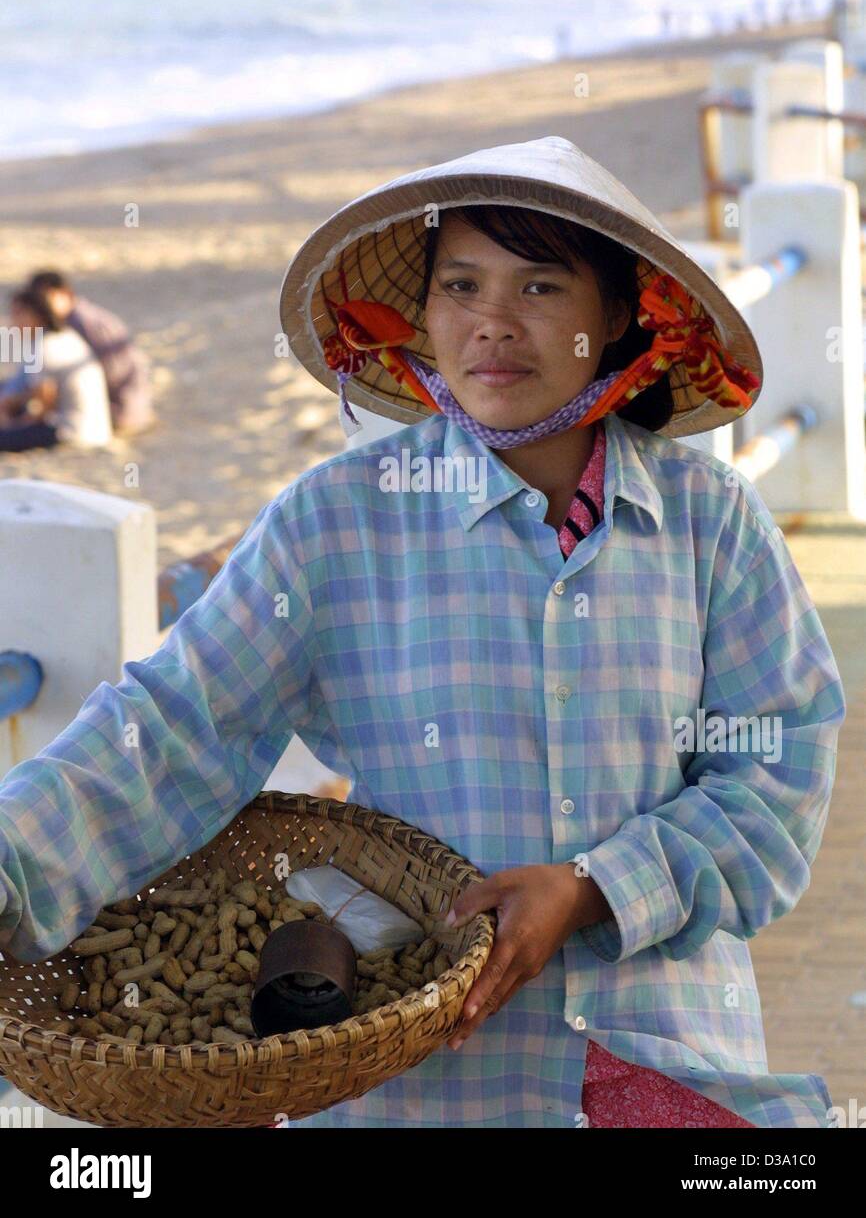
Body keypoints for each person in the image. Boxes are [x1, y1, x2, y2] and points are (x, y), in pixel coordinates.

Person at [0, 136, 845, 1129]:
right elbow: (172, 723)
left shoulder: (710, 522)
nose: (491, 324)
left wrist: (592, 888)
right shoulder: (333, 522)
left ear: (616, 316)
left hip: (658, 1050)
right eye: (460, 285)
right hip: (419, 1077)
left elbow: (778, 768)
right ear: (424, 312)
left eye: (539, 288)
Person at [12, 270, 155, 437]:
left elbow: (112, 375)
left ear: (64, 293)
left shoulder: (85, 324)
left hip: (115, 410)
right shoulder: (62, 327)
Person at [0, 284, 113, 452]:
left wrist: (13, 424)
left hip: (72, 433)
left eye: (19, 314)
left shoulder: (44, 347)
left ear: (36, 316)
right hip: (94, 428)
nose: (13, 321)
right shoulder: (64, 336)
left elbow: (44, 407)